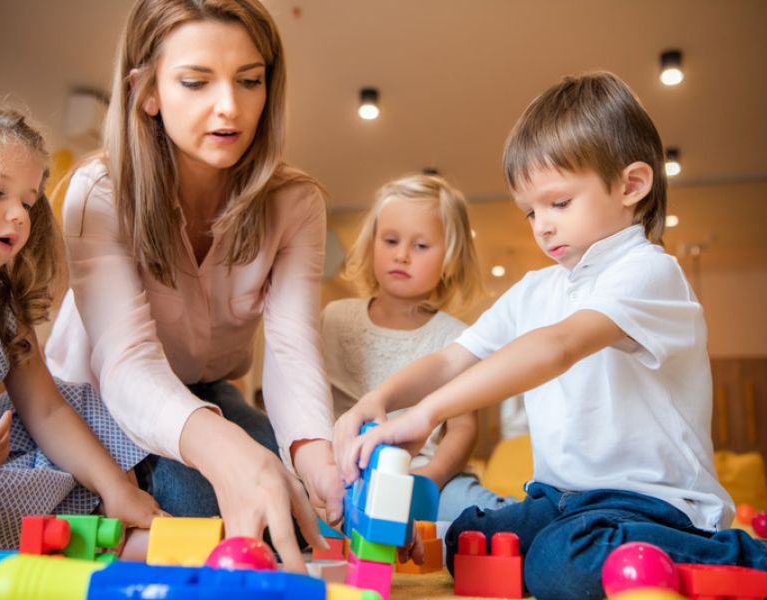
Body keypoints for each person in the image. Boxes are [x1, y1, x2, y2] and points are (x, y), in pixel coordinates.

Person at [335, 72, 767, 599]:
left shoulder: (647, 272)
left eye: (559, 203)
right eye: (531, 211)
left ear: (631, 185)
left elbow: (558, 347)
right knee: (469, 541)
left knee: (560, 562)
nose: (541, 225)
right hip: (561, 499)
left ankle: (745, 555)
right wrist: (380, 400)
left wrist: (427, 415)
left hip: (652, 504)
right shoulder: (535, 289)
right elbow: (451, 360)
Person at [44, 0, 337, 570]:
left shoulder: (296, 203)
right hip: (96, 402)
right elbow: (126, 364)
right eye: (196, 82)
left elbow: (292, 348)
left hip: (203, 393)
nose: (230, 107)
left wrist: (315, 456)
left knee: (299, 500)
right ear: (147, 92)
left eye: (249, 80)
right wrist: (229, 454)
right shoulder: (99, 191)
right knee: (204, 509)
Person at [0, 104, 161, 551]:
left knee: (82, 405)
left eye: (27, 202)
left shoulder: (1, 302)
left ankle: (113, 527)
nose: (18, 215)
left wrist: (116, 487)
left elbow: (46, 410)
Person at [326, 174, 514, 521]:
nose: (401, 256)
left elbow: (462, 428)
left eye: (421, 246)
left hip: (422, 472)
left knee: (484, 512)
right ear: (371, 245)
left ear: (450, 259)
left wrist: (431, 478)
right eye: (390, 241)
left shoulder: (457, 338)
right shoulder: (335, 318)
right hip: (339, 469)